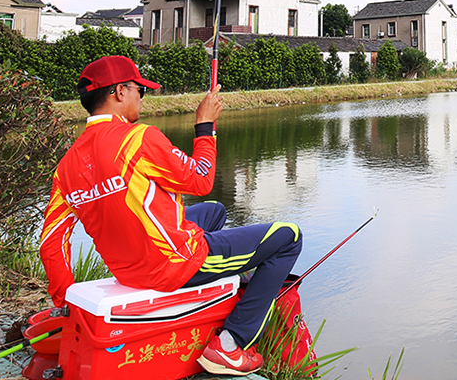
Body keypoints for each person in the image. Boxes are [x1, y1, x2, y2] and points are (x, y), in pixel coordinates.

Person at [39, 55, 302, 376]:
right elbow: (202, 179)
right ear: (120, 92)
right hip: (175, 265)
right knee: (289, 236)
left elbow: (51, 243)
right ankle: (230, 345)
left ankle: (224, 280)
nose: (141, 98)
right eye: (140, 90)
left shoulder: (66, 167)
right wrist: (205, 126)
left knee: (215, 211)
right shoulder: (138, 139)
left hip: (129, 271)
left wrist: (68, 304)